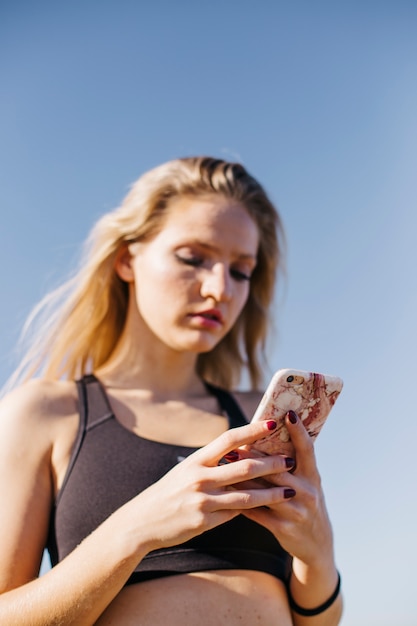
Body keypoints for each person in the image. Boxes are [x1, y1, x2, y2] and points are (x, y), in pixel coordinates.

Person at [0, 157, 343, 625]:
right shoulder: (45, 413)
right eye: (193, 258)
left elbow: (318, 620)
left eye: (240, 271)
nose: (220, 289)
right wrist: (134, 531)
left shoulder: (261, 422)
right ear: (127, 259)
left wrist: (319, 553)